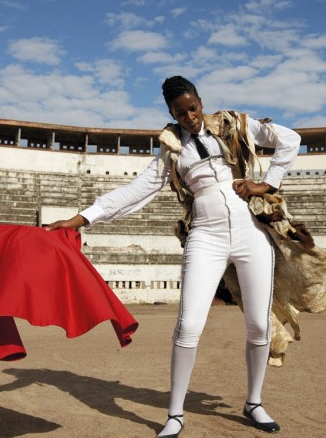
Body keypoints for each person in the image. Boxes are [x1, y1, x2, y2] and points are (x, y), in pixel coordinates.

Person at [47, 76, 300, 437]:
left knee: (259, 325)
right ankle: (175, 414)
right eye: (180, 113)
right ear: (171, 113)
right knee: (188, 326)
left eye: (193, 108)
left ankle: (254, 402)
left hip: (250, 234)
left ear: (201, 101)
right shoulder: (171, 151)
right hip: (206, 237)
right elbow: (134, 192)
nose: (190, 117)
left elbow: (289, 139)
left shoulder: (231, 125)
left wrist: (268, 182)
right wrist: (81, 218)